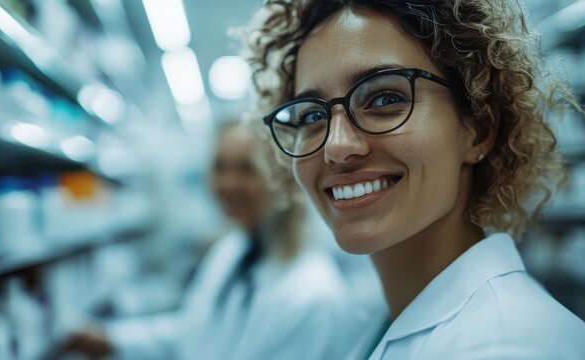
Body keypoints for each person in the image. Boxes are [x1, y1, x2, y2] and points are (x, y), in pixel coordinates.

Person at [242, 0, 585, 358]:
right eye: (312, 114)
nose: (337, 146)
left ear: (478, 130)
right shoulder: (386, 321)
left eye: (384, 98)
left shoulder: (508, 346)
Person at [61, 120, 366, 359]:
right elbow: (200, 333)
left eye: (247, 169)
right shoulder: (232, 250)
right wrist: (112, 341)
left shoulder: (312, 297)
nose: (227, 184)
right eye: (220, 167)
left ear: (283, 177)